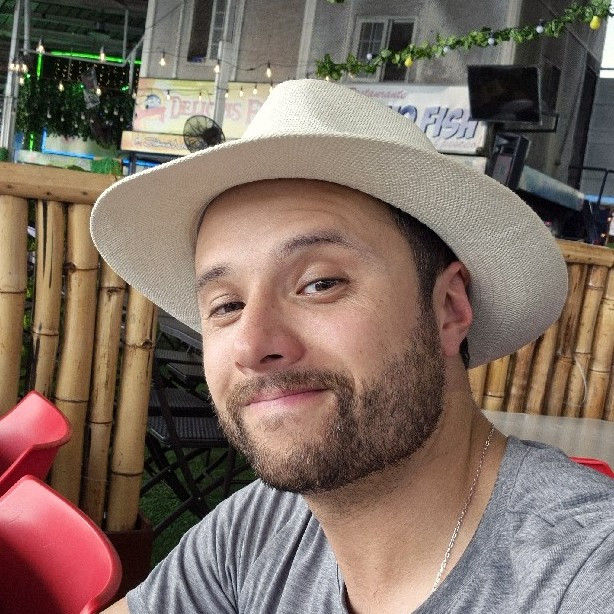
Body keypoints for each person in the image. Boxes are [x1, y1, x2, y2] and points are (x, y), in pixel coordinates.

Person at [91, 79, 614, 614]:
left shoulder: (584, 575)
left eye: (320, 284)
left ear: (448, 307)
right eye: (226, 306)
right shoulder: (259, 529)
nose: (252, 343)